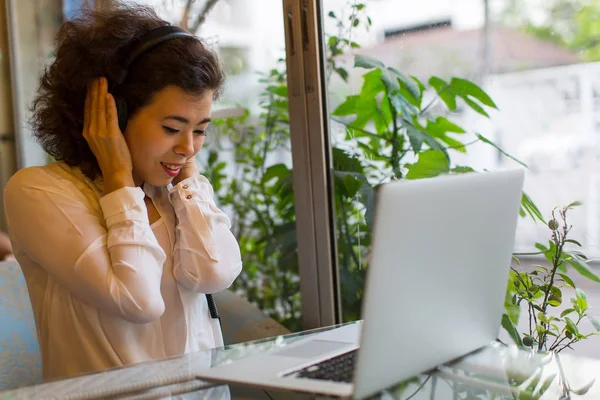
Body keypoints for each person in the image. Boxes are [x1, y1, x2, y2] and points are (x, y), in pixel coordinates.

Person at [3, 2, 242, 381]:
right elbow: (138, 300)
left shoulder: (173, 188)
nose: (189, 148)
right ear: (115, 115)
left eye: (199, 130)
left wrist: (186, 173)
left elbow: (213, 272)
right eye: (172, 127)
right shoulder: (39, 191)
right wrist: (118, 174)